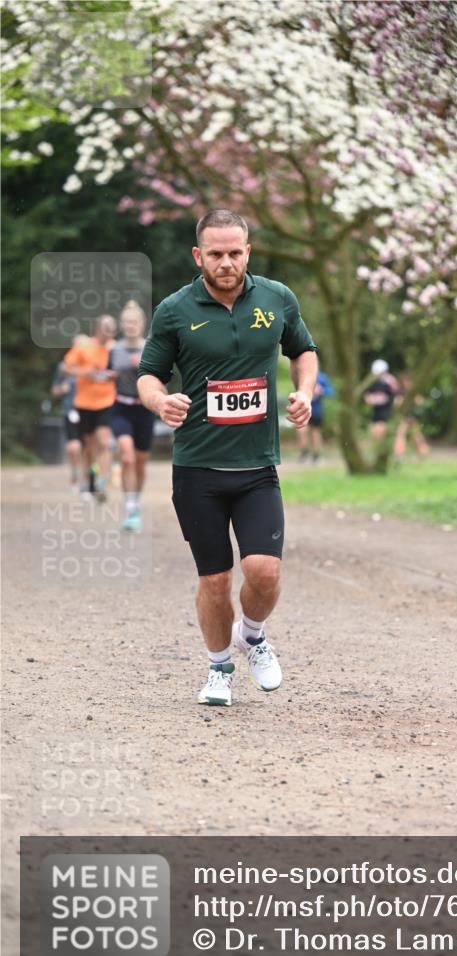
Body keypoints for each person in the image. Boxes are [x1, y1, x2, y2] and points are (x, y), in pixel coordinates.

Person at [137, 209, 317, 708]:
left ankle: (253, 636)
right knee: (214, 579)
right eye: (215, 254)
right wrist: (161, 401)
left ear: (248, 252)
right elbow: (148, 375)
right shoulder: (174, 310)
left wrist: (305, 391)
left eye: (235, 252)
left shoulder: (277, 298)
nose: (226, 262)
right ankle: (219, 669)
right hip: (197, 470)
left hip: (258, 468)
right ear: (199, 255)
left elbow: (303, 349)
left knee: (264, 572)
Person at [109, 300, 154, 532]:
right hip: (120, 408)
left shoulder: (150, 348)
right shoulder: (114, 350)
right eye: (126, 322)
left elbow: (162, 379)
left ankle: (135, 500)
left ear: (142, 324)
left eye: (134, 321)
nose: (130, 325)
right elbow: (108, 375)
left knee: (140, 462)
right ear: (121, 324)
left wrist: (142, 368)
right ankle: (130, 507)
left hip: (144, 409)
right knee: (126, 456)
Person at [63, 315, 117, 500]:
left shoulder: (114, 348)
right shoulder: (85, 345)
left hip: (107, 401)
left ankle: (103, 481)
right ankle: (87, 483)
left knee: (103, 442)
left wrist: (113, 375)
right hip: (84, 403)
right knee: (88, 447)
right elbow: (66, 368)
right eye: (105, 328)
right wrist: (87, 372)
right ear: (97, 328)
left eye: (111, 329)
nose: (108, 332)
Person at [50, 355, 82, 492]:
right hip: (70, 410)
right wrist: (62, 389)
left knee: (92, 446)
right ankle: (74, 476)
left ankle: (91, 479)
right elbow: (54, 391)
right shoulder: (63, 367)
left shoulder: (94, 365)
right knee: (73, 448)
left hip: (92, 410)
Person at [297, 369, 334, 463]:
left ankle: (316, 455)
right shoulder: (301, 374)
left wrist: (321, 391)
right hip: (302, 408)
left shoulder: (321, 377)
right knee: (302, 431)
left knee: (315, 433)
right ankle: (304, 453)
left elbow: (330, 391)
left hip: (316, 410)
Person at [364, 358, 400, 440]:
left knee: (382, 426)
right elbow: (367, 394)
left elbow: (396, 392)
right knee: (374, 427)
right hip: (376, 408)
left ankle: (380, 444)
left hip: (386, 408)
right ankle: (375, 444)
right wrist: (370, 399)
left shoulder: (390, 380)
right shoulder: (372, 381)